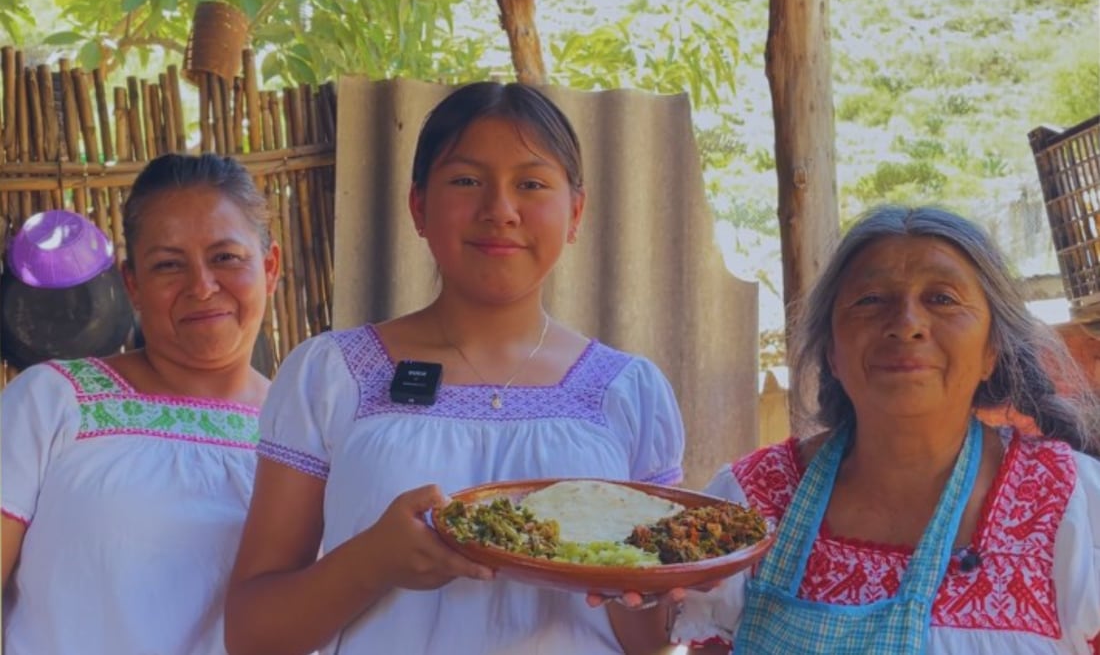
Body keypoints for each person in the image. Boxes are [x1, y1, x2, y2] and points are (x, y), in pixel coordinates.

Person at [224, 81, 686, 655]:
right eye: (467, 180)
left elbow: (655, 641)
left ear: (576, 211)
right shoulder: (332, 374)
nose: (500, 210)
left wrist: (643, 588)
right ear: (419, 205)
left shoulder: (628, 392)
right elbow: (251, 635)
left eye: (532, 184)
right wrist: (370, 563)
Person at [628, 205, 1100, 654]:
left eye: (942, 298)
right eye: (871, 300)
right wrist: (634, 588)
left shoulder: (1071, 504)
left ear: (991, 350)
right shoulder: (751, 503)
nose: (907, 324)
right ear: (832, 352)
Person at [1, 153, 281, 654]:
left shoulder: (301, 434)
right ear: (133, 284)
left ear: (270, 266)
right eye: (168, 264)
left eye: (226, 257)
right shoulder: (52, 402)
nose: (201, 286)